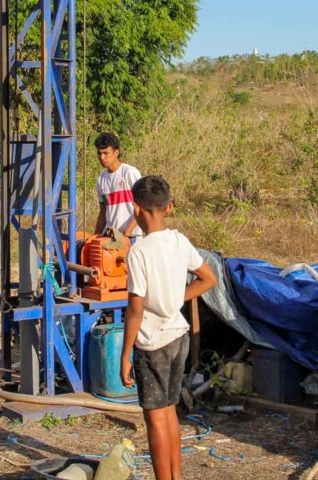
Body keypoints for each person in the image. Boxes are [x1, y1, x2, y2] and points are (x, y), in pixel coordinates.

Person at [120, 176, 217, 480]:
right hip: (179, 337)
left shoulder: (139, 252)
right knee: (170, 411)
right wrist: (176, 298)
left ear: (136, 210)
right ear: (169, 207)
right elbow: (208, 279)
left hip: (152, 342)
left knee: (155, 419)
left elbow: (135, 310)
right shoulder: (179, 241)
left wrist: (124, 355)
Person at [94, 132, 143, 237]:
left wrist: (128, 231)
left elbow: (142, 206)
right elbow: (103, 211)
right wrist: (96, 236)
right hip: (110, 237)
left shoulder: (130, 173)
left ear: (116, 153)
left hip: (131, 237)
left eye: (106, 153)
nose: (102, 157)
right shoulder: (101, 179)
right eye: (99, 153)